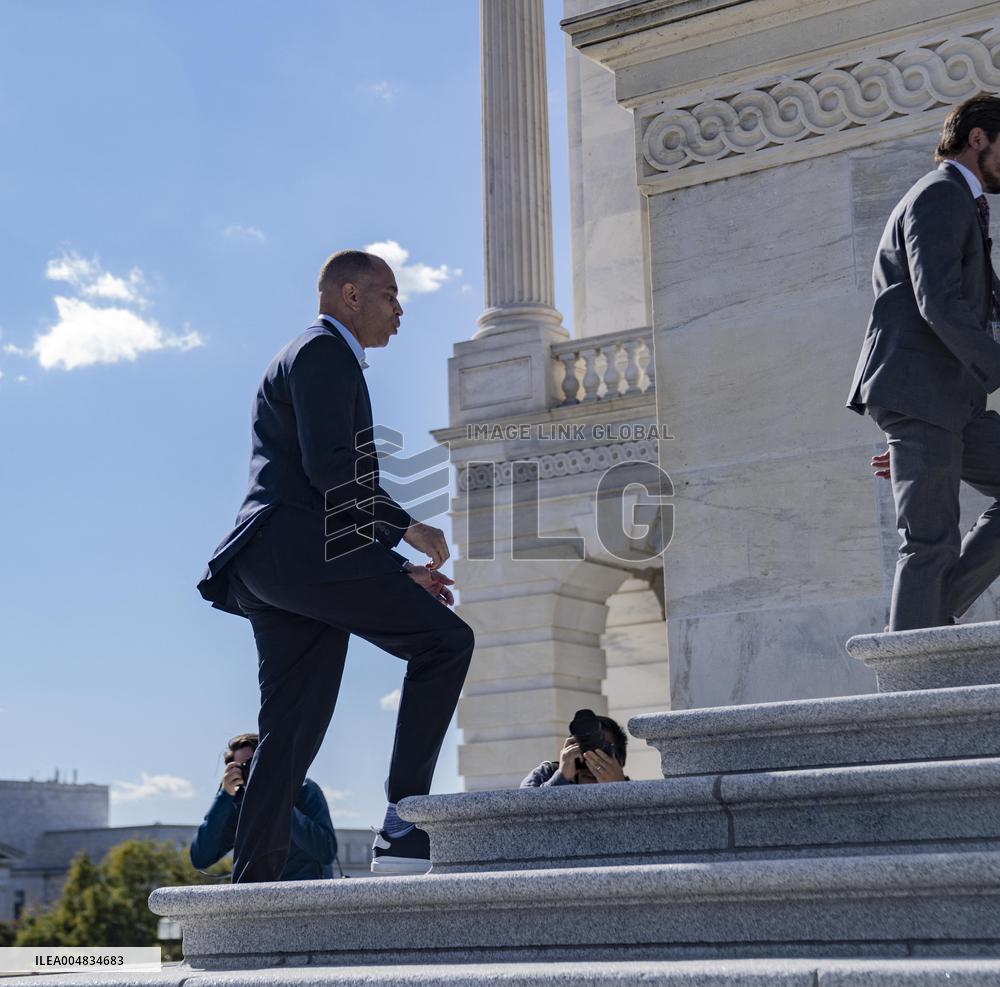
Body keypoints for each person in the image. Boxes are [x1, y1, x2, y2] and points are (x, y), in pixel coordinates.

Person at [196, 250, 475, 881]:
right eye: (390, 295)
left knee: (290, 729)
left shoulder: (299, 355)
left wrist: (391, 570)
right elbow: (331, 471)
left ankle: (255, 883)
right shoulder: (325, 352)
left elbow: (313, 483)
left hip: (278, 565)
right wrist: (405, 528)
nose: (400, 310)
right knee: (444, 642)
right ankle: (406, 823)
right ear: (350, 295)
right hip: (301, 553)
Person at [847, 94, 1000, 631]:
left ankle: (933, 615)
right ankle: (908, 680)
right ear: (978, 138)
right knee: (929, 541)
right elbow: (937, 300)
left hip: (947, 402)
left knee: (931, 546)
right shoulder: (941, 195)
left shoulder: (961, 201)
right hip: (924, 394)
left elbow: (977, 308)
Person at [190, 733, 337, 880]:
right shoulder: (240, 806)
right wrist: (224, 796)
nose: (251, 771)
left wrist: (276, 801)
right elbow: (200, 858)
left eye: (253, 763)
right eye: (243, 767)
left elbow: (326, 852)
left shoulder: (303, 789)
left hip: (307, 894)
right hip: (261, 896)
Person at [520, 716, 629, 787]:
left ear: (621, 760)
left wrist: (619, 788)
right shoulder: (546, 774)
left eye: (601, 753)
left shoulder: (637, 792)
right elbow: (523, 810)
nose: (590, 761)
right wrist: (561, 777)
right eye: (584, 750)